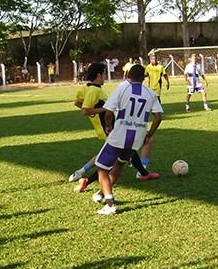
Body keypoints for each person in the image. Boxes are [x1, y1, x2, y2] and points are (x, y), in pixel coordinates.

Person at [68, 62, 158, 191]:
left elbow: (78, 103)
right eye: (104, 74)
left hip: (106, 125)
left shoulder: (87, 88)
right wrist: (103, 110)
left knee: (109, 156)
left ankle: (80, 172)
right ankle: (87, 181)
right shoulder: (94, 90)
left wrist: (96, 113)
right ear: (99, 75)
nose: (105, 76)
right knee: (114, 159)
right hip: (108, 126)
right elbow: (85, 110)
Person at [90, 64, 163, 215]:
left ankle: (110, 204)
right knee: (119, 165)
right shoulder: (150, 93)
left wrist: (109, 125)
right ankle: (102, 194)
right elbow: (158, 116)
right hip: (136, 138)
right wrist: (149, 134)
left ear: (129, 75)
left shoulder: (122, 88)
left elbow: (109, 112)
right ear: (144, 78)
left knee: (102, 169)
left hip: (119, 135)